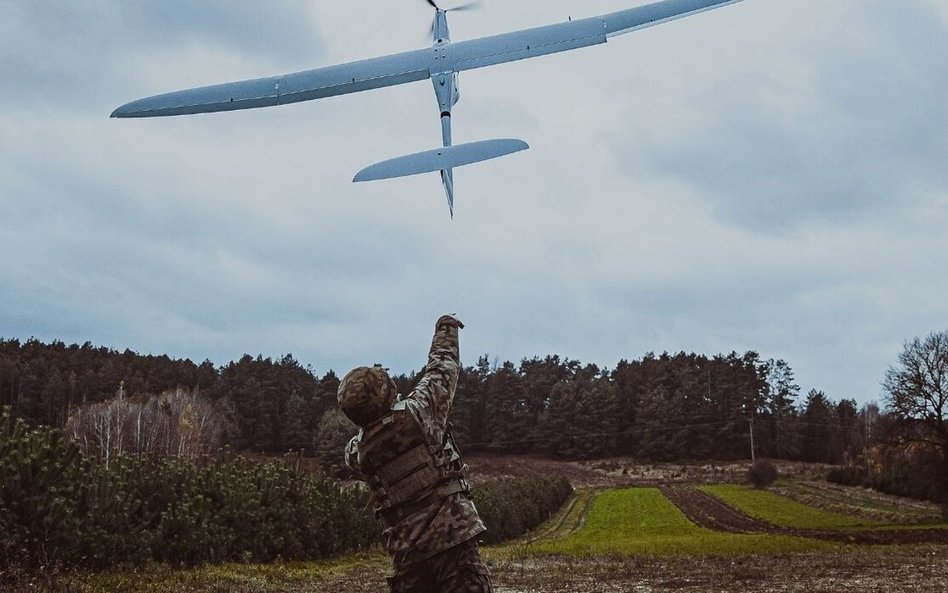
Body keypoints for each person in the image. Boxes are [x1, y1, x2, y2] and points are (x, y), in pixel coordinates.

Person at [338, 314, 493, 593]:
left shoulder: (357, 452)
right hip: (452, 539)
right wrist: (446, 330)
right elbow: (442, 370)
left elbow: (361, 443)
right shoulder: (418, 414)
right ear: (387, 394)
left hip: (407, 553)